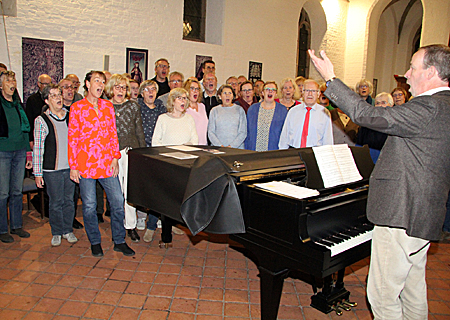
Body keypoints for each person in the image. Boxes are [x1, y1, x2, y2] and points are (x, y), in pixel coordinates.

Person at [309, 44, 450, 320]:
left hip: (401, 213)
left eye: (413, 67)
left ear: (431, 72)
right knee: (412, 290)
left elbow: (367, 116)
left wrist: (330, 79)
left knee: (383, 297)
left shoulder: (429, 107)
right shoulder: (444, 106)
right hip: (421, 214)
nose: (407, 75)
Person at [68, 70, 135, 257]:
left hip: (106, 164)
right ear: (88, 84)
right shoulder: (77, 108)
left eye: (102, 81)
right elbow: (73, 138)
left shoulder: (107, 106)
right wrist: (73, 165)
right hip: (86, 165)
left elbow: (113, 134)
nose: (100, 84)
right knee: (89, 206)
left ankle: (119, 240)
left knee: (117, 201)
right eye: (96, 80)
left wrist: (115, 158)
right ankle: (95, 241)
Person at [152, 88, 198, 248]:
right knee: (166, 201)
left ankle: (180, 225)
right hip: (167, 164)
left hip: (185, 165)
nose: (183, 101)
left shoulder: (190, 119)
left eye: (185, 98)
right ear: (172, 101)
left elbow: (194, 141)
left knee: (182, 200)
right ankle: (166, 237)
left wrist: (182, 149)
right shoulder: (163, 119)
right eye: (180, 98)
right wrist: (172, 151)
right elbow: (155, 142)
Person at [33, 84, 77, 246]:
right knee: (56, 202)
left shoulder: (71, 116)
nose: (59, 98)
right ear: (46, 100)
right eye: (53, 95)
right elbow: (38, 149)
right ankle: (57, 231)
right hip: (52, 170)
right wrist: (38, 173)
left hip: (71, 168)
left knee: (69, 201)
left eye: (59, 94)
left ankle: (68, 230)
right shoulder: (41, 121)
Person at [104, 74, 146, 243]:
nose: (120, 91)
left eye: (123, 87)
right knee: (116, 193)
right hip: (109, 155)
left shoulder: (133, 107)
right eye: (117, 87)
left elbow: (139, 131)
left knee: (129, 191)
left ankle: (131, 225)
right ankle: (118, 225)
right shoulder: (104, 107)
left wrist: (142, 155)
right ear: (111, 89)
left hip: (129, 153)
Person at [0, 70, 32, 243]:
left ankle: (16, 225)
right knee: (3, 193)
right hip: (3, 152)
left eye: (13, 80)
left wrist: (28, 154)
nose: (12, 84)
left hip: (20, 151)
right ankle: (2, 229)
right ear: (0, 85)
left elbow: (25, 130)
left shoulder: (18, 105)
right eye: (7, 81)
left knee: (17, 191)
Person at [136, 80, 166, 242]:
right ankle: (146, 220)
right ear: (142, 93)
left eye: (153, 89)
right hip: (143, 152)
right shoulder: (137, 107)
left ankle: (160, 220)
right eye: (147, 90)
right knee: (147, 190)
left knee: (160, 190)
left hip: (159, 153)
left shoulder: (162, 108)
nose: (151, 92)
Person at [279, 79, 333, 149]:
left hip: (314, 153)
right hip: (294, 152)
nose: (310, 94)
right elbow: (284, 137)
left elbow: (328, 140)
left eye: (313, 91)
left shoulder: (324, 113)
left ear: (318, 94)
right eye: (307, 91)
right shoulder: (293, 111)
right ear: (303, 93)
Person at [245, 81, 287, 151]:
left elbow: (285, 134)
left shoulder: (282, 110)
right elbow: (247, 132)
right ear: (262, 93)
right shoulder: (253, 109)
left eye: (273, 90)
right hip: (254, 151)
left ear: (276, 94)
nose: (270, 92)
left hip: (273, 152)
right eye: (267, 89)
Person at [208, 84, 247, 149]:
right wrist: (220, 146)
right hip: (218, 149)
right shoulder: (214, 110)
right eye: (225, 93)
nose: (227, 95)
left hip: (236, 149)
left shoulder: (239, 110)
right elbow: (211, 132)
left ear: (233, 96)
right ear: (220, 96)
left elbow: (243, 132)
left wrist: (231, 146)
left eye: (230, 93)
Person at [26, 74, 52, 149]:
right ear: (39, 84)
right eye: (45, 84)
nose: (47, 86)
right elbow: (29, 120)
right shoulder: (32, 99)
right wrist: (31, 139)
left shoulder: (53, 99)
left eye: (49, 84)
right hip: (37, 135)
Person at [184, 78, 208, 145]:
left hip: (203, 145)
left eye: (197, 89)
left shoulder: (202, 106)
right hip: (190, 146)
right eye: (192, 88)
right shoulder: (184, 109)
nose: (195, 91)